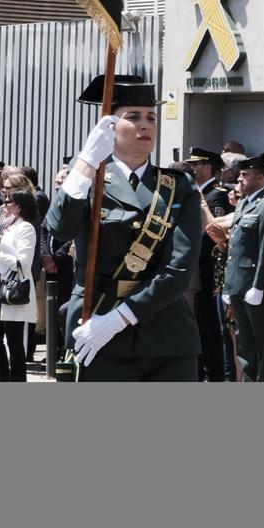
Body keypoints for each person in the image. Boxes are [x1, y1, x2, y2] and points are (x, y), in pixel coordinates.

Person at [41, 74, 202, 382]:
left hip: (166, 335)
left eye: (151, 118)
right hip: (96, 326)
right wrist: (86, 162)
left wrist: (119, 319)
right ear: (110, 125)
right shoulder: (89, 181)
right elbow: (59, 229)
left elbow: (178, 271)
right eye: (133, 117)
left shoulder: (178, 187)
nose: (145, 125)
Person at [220, 153, 264, 381]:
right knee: (244, 343)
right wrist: (228, 285)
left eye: (245, 175)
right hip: (238, 284)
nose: (240, 179)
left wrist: (260, 286)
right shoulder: (244, 203)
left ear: (260, 179)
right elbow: (235, 246)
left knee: (262, 343)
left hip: (254, 286)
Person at [0, 168, 41, 382]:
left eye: (8, 202)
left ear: (18, 207)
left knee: (15, 343)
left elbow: (23, 263)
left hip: (15, 288)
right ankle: (3, 379)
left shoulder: (26, 228)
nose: (3, 205)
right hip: (0, 284)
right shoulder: (7, 226)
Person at [186, 147, 233, 382]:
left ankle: (214, 374)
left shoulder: (218, 195)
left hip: (209, 270)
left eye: (195, 166)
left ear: (206, 167)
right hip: (198, 271)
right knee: (202, 326)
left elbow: (212, 235)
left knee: (211, 327)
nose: (192, 170)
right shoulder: (199, 194)